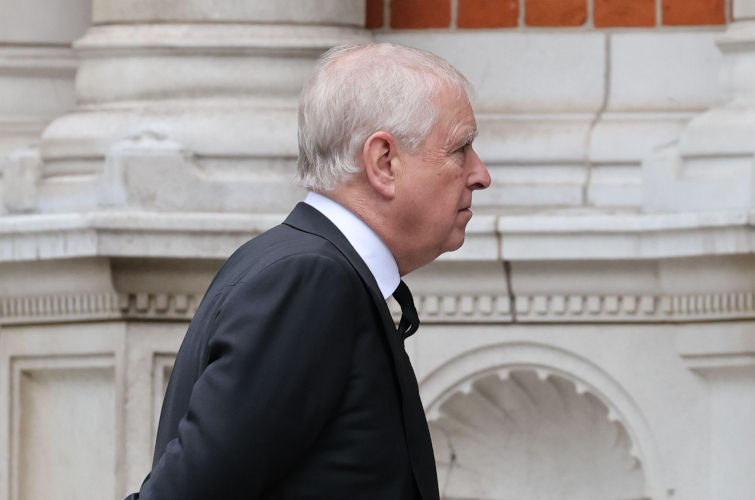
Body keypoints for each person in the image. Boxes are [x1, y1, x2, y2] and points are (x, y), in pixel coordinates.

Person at [125, 42, 491, 500]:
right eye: (460, 148)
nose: (480, 174)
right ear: (383, 163)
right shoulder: (310, 282)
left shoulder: (304, 269)